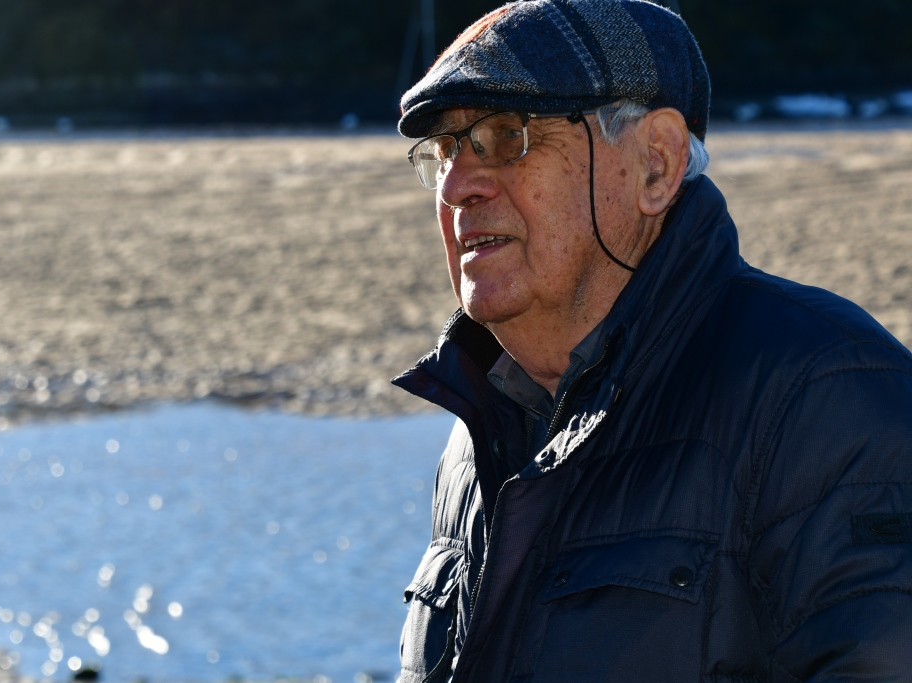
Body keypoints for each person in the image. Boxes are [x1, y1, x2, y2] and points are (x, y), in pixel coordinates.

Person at [390, 1, 912, 681]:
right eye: (445, 150)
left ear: (656, 167)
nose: (458, 186)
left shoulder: (825, 396)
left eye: (506, 136)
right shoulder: (480, 434)